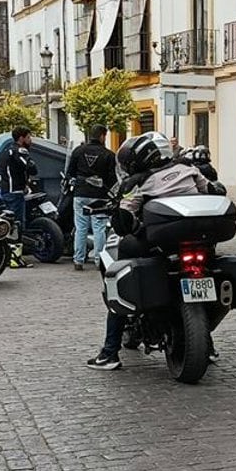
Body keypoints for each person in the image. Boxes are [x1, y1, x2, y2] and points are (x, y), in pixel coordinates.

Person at [87, 132, 218, 370]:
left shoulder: (138, 182)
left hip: (160, 242)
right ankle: (207, 346)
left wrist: (132, 225)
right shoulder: (188, 168)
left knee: (116, 276)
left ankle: (109, 353)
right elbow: (211, 190)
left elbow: (125, 215)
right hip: (198, 239)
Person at [65, 127, 118, 272]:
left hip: (80, 193)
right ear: (102, 136)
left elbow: (70, 173)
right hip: (99, 196)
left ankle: (78, 260)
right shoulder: (109, 155)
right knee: (99, 228)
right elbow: (112, 178)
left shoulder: (78, 151)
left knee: (80, 227)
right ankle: (99, 260)